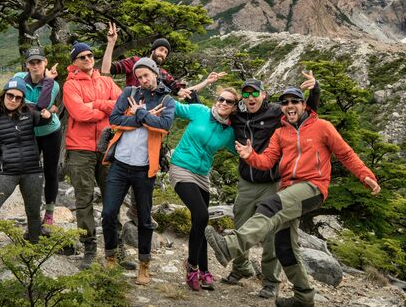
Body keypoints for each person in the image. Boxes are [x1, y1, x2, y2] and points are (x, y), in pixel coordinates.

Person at [205, 87, 381, 307]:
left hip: (313, 187)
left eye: (294, 101)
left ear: (303, 104)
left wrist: (365, 175)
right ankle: (304, 297)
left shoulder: (322, 127)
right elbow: (267, 161)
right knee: (285, 245)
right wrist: (251, 156)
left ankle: (230, 246)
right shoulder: (281, 133)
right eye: (286, 103)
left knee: (271, 205)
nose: (290, 106)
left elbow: (345, 153)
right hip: (288, 189)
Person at [226, 73, 321, 299]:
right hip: (246, 181)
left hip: (272, 181)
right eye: (246, 93)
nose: (250, 97)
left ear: (263, 95)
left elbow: (305, 113)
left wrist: (315, 90)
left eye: (255, 93)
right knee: (241, 225)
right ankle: (241, 268)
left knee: (271, 231)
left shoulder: (276, 112)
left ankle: (270, 281)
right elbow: (216, 112)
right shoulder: (237, 115)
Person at [100, 57, 175, 285]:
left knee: (144, 218)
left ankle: (144, 265)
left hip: (145, 168)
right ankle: (111, 256)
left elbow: (164, 126)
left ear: (155, 73)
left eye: (146, 75)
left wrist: (138, 114)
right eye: (139, 76)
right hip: (120, 164)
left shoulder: (167, 99)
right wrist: (146, 118)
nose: (143, 80)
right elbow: (114, 119)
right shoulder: (129, 92)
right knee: (108, 213)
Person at [0, 77, 53, 243]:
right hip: (6, 172)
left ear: (22, 100)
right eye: (10, 96)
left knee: (34, 214)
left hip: (32, 172)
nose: (13, 100)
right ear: (3, 95)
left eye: (18, 97)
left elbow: (45, 117)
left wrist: (48, 116)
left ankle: (33, 250)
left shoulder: (29, 114)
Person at [169, 82, 236, 291]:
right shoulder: (199, 111)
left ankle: (204, 270)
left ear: (234, 107)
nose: (223, 103)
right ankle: (191, 266)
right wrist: (159, 91)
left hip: (202, 174)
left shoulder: (229, 132)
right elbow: (174, 107)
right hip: (181, 166)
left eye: (229, 101)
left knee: (202, 222)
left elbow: (243, 150)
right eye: (221, 99)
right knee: (200, 214)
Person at [62, 42, 123, 268]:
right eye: (81, 57)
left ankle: (115, 246)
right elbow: (79, 112)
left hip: (106, 147)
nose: (87, 59)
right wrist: (105, 109)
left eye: (90, 55)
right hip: (80, 149)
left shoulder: (106, 81)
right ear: (74, 62)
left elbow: (122, 105)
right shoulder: (70, 86)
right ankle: (88, 246)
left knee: (112, 197)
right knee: (84, 197)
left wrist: (96, 104)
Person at [100, 22, 212, 103]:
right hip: (129, 109)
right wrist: (111, 43)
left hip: (151, 116)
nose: (163, 54)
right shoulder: (135, 61)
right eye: (161, 50)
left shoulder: (162, 73)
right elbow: (106, 70)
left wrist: (206, 81)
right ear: (153, 50)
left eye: (166, 52)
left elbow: (182, 92)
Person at [13, 47, 62, 228]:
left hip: (50, 132)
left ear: (45, 63)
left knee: (50, 172)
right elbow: (12, 103)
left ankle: (49, 214)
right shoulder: (17, 78)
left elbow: (41, 105)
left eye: (38, 62)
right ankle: (33, 213)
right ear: (26, 65)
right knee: (30, 173)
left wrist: (48, 82)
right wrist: (33, 108)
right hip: (29, 133)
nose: (35, 66)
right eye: (31, 62)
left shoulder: (53, 84)